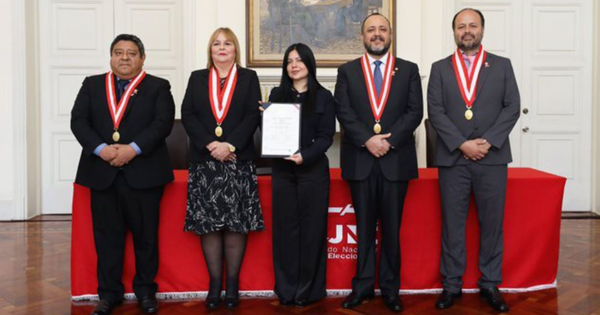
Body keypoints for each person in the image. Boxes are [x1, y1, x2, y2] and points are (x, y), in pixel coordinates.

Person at [71, 34, 175, 315]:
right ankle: (108, 295)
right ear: (111, 57)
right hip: (102, 173)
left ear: (142, 58)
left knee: (146, 238)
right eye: (118, 52)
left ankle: (145, 293)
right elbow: (78, 121)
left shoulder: (158, 87)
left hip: (144, 174)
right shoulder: (92, 85)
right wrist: (101, 149)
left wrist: (134, 149)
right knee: (107, 238)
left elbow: (163, 123)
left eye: (131, 53)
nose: (124, 57)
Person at [427, 8, 520, 312]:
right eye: (461, 26)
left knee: (491, 224)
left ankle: (490, 283)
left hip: (492, 158)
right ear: (454, 32)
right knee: (452, 224)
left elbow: (512, 108)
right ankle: (452, 284)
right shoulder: (440, 68)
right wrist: (462, 144)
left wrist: (488, 142)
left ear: (482, 29)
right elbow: (436, 112)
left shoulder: (502, 66)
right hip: (454, 159)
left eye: (472, 25)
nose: (467, 31)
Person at [335, 13, 423, 312]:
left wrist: (388, 140)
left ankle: (390, 288)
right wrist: (367, 140)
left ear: (390, 35)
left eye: (382, 29)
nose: (377, 34)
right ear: (362, 36)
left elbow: (414, 112)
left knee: (391, 228)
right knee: (363, 227)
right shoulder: (347, 71)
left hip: (395, 160)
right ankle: (361, 286)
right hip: (361, 160)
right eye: (371, 30)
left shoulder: (408, 70)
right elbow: (343, 111)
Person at [181, 27, 264, 310]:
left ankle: (233, 284)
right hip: (205, 163)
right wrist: (210, 144)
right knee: (209, 226)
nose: (222, 47)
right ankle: (215, 284)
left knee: (236, 225)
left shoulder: (249, 78)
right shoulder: (197, 78)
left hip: (237, 162)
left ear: (235, 48)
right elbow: (188, 114)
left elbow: (253, 115)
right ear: (211, 50)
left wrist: (230, 145)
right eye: (216, 43)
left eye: (227, 43)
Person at [267, 43, 336, 307]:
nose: (294, 65)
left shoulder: (324, 97)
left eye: (299, 60)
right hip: (283, 172)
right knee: (286, 232)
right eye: (289, 61)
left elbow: (326, 136)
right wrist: (266, 118)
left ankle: (309, 290)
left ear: (309, 64)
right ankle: (286, 290)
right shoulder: (276, 94)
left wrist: (304, 156)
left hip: (312, 171)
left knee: (312, 231)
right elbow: (271, 133)